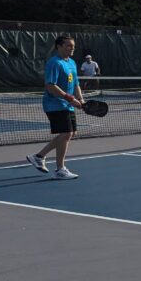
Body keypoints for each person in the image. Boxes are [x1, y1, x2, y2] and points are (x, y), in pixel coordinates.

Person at [25, 35, 86, 179]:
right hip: (54, 104)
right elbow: (50, 85)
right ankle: (60, 169)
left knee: (70, 134)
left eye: (73, 46)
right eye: (68, 46)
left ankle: (38, 156)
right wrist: (69, 98)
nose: (72, 49)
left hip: (67, 104)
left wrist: (81, 99)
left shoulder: (72, 62)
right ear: (58, 46)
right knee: (66, 134)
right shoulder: (54, 63)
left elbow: (76, 83)